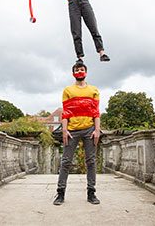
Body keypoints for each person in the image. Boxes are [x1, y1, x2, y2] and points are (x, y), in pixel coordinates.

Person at [53, 62, 101, 205]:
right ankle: (60, 193)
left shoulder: (93, 90)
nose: (79, 71)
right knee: (66, 162)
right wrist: (64, 130)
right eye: (76, 69)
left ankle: (91, 193)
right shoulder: (68, 90)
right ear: (73, 72)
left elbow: (96, 112)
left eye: (81, 69)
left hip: (89, 130)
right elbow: (66, 112)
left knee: (91, 161)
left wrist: (97, 130)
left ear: (86, 71)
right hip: (72, 130)